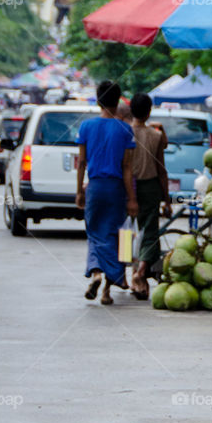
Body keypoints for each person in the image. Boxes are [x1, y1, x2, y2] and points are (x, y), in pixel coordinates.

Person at [75, 80, 138, 305]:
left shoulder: (86, 127)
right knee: (115, 235)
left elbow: (81, 162)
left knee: (95, 233)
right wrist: (131, 198)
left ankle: (96, 273)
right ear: (118, 100)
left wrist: (79, 191)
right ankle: (107, 291)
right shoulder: (124, 129)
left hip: (94, 186)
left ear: (98, 100)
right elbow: (127, 168)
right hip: (116, 188)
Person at [129, 92, 170, 300]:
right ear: (149, 111)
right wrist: (167, 199)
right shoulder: (155, 135)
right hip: (151, 187)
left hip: (128, 188)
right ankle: (141, 272)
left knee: (128, 233)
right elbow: (162, 169)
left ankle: (129, 274)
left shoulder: (125, 133)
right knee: (150, 233)